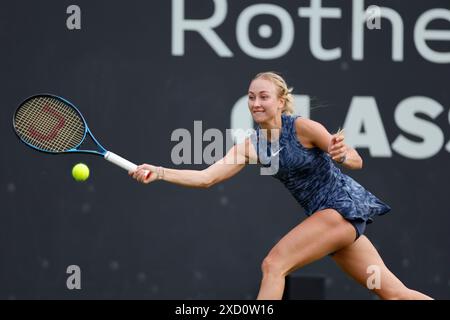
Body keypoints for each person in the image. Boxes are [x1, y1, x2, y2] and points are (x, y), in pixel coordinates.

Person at [129, 72, 432, 300]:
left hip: (340, 209)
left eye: (264, 96)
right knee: (394, 294)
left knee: (274, 264)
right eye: (251, 97)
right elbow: (207, 177)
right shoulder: (253, 145)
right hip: (332, 221)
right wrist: (159, 171)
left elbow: (354, 159)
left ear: (281, 101)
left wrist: (345, 155)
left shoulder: (303, 128)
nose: (256, 103)